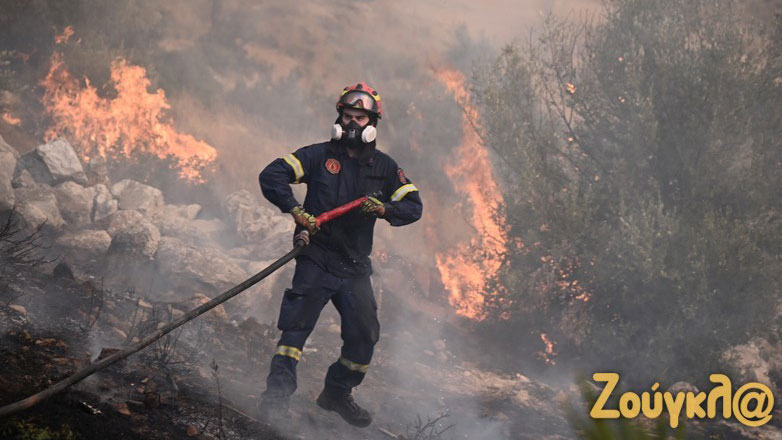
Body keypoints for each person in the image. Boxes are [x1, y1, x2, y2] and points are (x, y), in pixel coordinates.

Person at [257, 82, 423, 427]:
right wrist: (294, 209)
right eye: (346, 116)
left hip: (354, 267)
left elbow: (413, 206)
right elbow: (272, 175)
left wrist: (384, 210)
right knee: (295, 333)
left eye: (359, 118)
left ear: (372, 123)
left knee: (364, 336)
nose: (350, 124)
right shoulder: (318, 156)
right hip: (317, 257)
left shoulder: (385, 167)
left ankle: (336, 393)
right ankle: (275, 400)